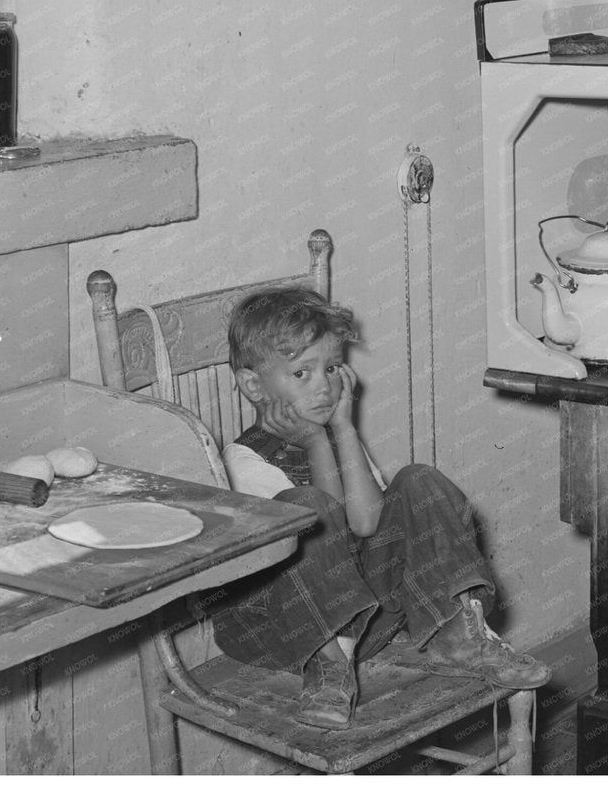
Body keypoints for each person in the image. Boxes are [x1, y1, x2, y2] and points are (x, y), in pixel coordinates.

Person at [204, 286, 549, 730]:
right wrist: (314, 442)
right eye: (301, 373)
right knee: (304, 507)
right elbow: (329, 526)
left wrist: (342, 429)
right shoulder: (240, 462)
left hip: (365, 624)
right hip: (284, 633)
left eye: (331, 368)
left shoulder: (334, 430)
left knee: (419, 479)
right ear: (253, 384)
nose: (325, 386)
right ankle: (328, 668)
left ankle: (454, 633)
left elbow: (366, 523)